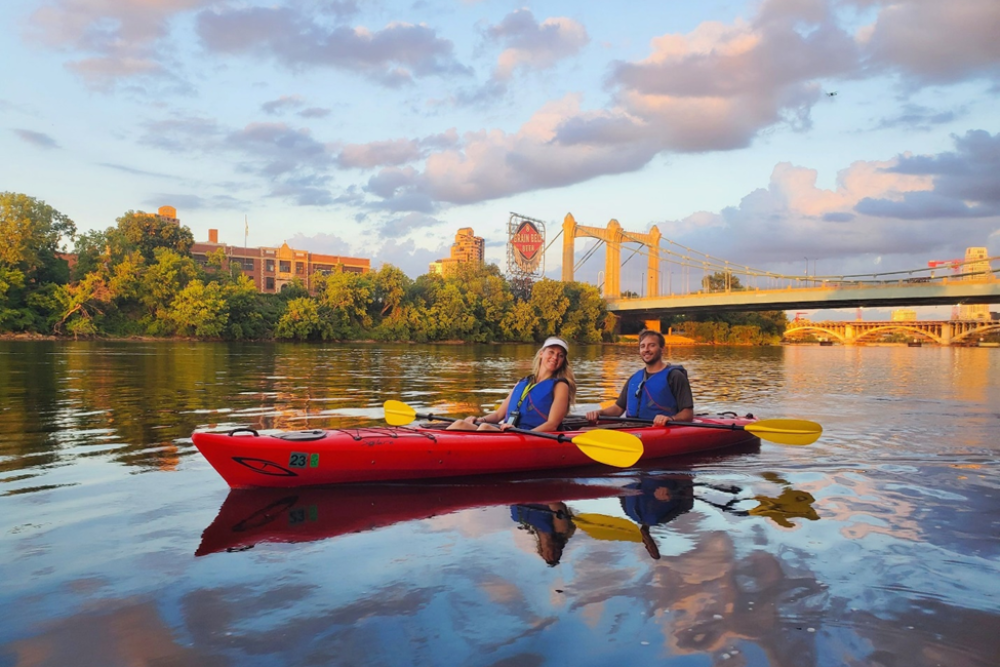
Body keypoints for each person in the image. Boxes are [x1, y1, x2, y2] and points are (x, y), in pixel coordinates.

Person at [447, 336, 576, 432]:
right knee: (460, 424)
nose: (555, 357)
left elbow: (552, 425)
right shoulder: (523, 382)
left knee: (485, 428)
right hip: (511, 431)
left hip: (532, 435)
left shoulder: (560, 386)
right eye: (551, 352)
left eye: (560, 355)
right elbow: (498, 415)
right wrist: (479, 419)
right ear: (542, 354)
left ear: (563, 361)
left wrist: (525, 434)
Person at [586, 329, 693, 426]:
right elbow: (618, 409)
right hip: (631, 427)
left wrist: (671, 419)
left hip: (660, 429)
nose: (646, 349)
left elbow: (688, 414)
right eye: (642, 346)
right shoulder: (634, 378)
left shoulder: (675, 376)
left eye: (651, 345)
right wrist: (599, 413)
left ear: (662, 349)